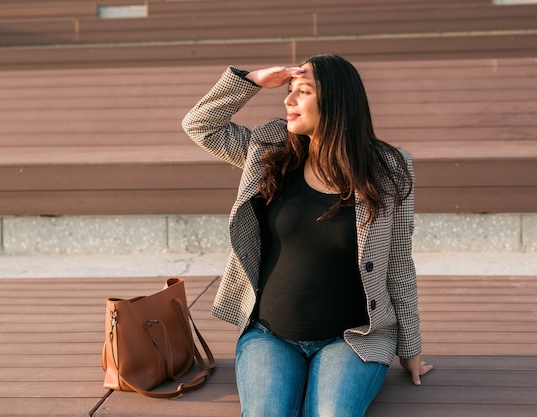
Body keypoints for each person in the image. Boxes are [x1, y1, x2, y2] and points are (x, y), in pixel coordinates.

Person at [182, 54, 432, 417]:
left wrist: (410, 348)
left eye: (303, 91)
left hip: (352, 339)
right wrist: (251, 79)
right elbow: (200, 125)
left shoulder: (388, 169)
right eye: (289, 90)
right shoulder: (269, 151)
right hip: (269, 335)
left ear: (336, 101)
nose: (288, 100)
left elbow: (398, 262)